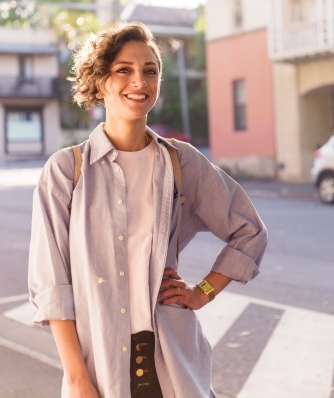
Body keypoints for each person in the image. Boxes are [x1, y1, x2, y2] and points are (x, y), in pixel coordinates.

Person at [28, 22, 268, 398]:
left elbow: (249, 231)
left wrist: (203, 291)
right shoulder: (66, 171)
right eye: (124, 69)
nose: (139, 81)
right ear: (100, 80)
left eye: (150, 70)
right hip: (101, 369)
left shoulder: (181, 163)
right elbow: (52, 283)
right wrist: (76, 379)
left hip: (172, 365)